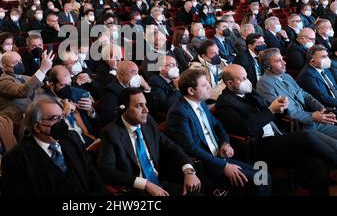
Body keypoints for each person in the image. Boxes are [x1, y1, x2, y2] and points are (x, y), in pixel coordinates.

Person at [215, 64, 337, 196]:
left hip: (277, 135)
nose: (247, 81)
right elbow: (246, 129)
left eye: (246, 77)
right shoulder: (225, 103)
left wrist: (280, 107)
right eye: (242, 78)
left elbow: (269, 111)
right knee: (306, 135)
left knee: (314, 157)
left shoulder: (249, 92)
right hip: (260, 145)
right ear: (230, 83)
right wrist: (271, 110)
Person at [166, 68, 271, 196]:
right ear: (191, 90)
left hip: (220, 156)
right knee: (261, 181)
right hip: (207, 165)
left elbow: (217, 124)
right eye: (204, 85)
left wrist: (225, 142)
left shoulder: (200, 102)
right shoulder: (179, 113)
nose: (210, 87)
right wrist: (223, 166)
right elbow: (190, 148)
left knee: (264, 176)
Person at [97, 88, 201, 196]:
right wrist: (145, 184)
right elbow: (106, 171)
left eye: (145, 104)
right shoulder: (110, 133)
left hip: (161, 182)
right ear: (124, 109)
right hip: (137, 191)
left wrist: (188, 170)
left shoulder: (148, 122)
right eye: (139, 105)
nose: (146, 110)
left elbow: (171, 147)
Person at [0, 95, 104, 196]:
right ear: (37, 126)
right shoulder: (15, 159)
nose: (62, 123)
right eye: (55, 118)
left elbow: (91, 173)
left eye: (62, 117)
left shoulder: (72, 138)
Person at [257, 48, 337, 140]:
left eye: (283, 59)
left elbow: (305, 95)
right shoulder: (264, 83)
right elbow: (282, 112)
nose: (284, 63)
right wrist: (312, 117)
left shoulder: (286, 76)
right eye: (278, 61)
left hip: (313, 121)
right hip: (299, 127)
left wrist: (321, 108)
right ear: (268, 66)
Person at [44, 65, 99, 146]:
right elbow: (52, 134)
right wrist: (64, 113)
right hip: (70, 144)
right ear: (52, 85)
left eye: (69, 83)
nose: (68, 88)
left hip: (89, 137)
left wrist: (91, 111)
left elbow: (97, 122)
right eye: (63, 85)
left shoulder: (79, 93)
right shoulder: (45, 104)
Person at [0, 50, 53, 123]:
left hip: (32, 117)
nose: (20, 64)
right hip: (14, 121)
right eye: (16, 62)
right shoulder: (2, 82)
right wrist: (43, 69)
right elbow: (24, 91)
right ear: (5, 66)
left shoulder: (26, 78)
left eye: (20, 61)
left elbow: (43, 92)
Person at [100, 60, 152, 127]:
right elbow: (108, 119)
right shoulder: (111, 92)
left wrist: (146, 87)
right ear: (121, 75)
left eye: (138, 73)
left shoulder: (136, 87)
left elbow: (152, 108)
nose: (137, 77)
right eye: (133, 73)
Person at [296, 45, 337, 110]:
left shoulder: (325, 68)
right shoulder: (307, 74)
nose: (327, 59)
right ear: (312, 61)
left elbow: (335, 87)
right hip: (325, 108)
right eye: (323, 57)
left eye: (327, 56)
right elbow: (322, 97)